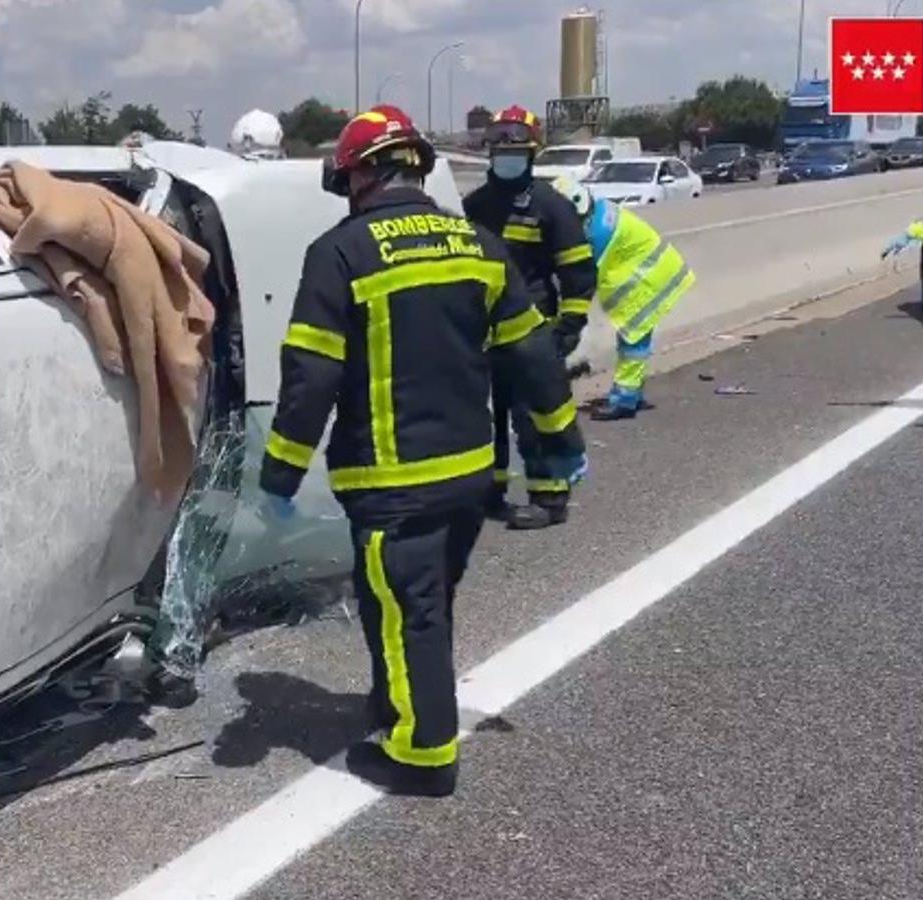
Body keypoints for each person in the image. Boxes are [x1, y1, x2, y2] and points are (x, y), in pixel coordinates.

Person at [256, 106, 587, 797]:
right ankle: (395, 702)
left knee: (412, 611)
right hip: (469, 477)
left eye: (346, 179)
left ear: (361, 175)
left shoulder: (340, 252)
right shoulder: (476, 243)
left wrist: (280, 474)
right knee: (415, 603)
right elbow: (533, 358)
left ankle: (423, 755)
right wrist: (561, 443)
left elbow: (311, 374)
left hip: (391, 482)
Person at [463, 105, 598, 530]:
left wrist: (568, 328)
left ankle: (549, 498)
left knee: (535, 416)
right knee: (486, 417)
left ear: (532, 152)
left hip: (533, 332)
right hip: (482, 334)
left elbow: (577, 274)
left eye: (515, 147)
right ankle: (492, 492)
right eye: (498, 146)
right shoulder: (474, 206)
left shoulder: (551, 206)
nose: (505, 154)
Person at [551, 175, 696, 419]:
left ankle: (625, 401)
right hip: (657, 272)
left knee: (633, 341)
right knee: (635, 340)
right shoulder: (598, 210)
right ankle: (633, 394)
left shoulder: (596, 235)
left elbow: (580, 279)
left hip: (643, 283)